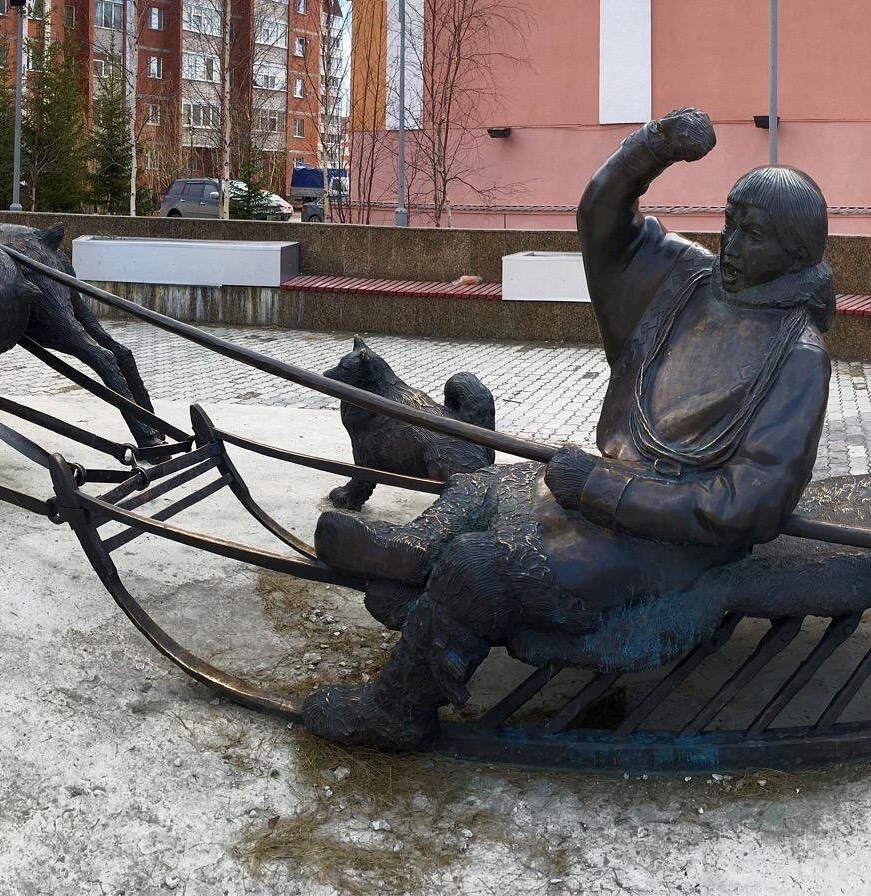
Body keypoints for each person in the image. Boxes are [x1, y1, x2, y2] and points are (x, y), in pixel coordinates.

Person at [302, 108, 836, 750]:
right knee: (482, 489)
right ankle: (414, 551)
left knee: (482, 569)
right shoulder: (691, 281)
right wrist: (653, 147)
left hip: (671, 547)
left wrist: (602, 490)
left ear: (795, 253)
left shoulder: (798, 355)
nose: (731, 244)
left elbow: (750, 503)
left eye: (753, 235)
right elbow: (603, 221)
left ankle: (398, 710)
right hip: (609, 495)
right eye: (730, 222)